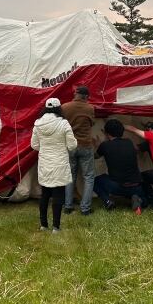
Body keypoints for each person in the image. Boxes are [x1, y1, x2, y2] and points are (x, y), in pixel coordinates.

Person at [31, 98, 77, 233]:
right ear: (59, 108)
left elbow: (34, 145)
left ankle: (43, 225)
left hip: (45, 163)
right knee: (58, 195)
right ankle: (56, 227)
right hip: (60, 164)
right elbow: (72, 145)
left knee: (44, 195)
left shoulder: (38, 124)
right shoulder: (64, 123)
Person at [93, 119, 148, 214]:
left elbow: (95, 156)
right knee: (144, 200)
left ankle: (107, 201)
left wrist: (98, 145)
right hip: (136, 186)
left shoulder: (105, 145)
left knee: (94, 181)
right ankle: (137, 199)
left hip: (117, 187)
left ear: (107, 133)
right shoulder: (129, 142)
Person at [61, 85, 97, 215]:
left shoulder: (64, 107)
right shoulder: (90, 108)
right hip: (85, 145)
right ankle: (85, 208)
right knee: (88, 177)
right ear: (86, 97)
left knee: (70, 176)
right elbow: (92, 123)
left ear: (76, 94)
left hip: (70, 146)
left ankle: (68, 206)